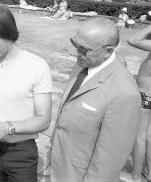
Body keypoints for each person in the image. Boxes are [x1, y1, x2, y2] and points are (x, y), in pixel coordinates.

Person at [50, 17, 142, 182]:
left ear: (107, 51)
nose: (77, 53)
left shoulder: (125, 94)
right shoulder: (82, 64)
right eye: (75, 44)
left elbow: (108, 162)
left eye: (84, 49)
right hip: (59, 167)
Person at [0, 5, 52, 182]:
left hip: (21, 152)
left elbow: (44, 120)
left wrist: (8, 127)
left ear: (10, 33)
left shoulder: (37, 66)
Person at [127, 25, 151, 182]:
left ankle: (136, 176)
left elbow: (133, 40)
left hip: (145, 96)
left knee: (140, 138)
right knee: (149, 136)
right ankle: (149, 172)